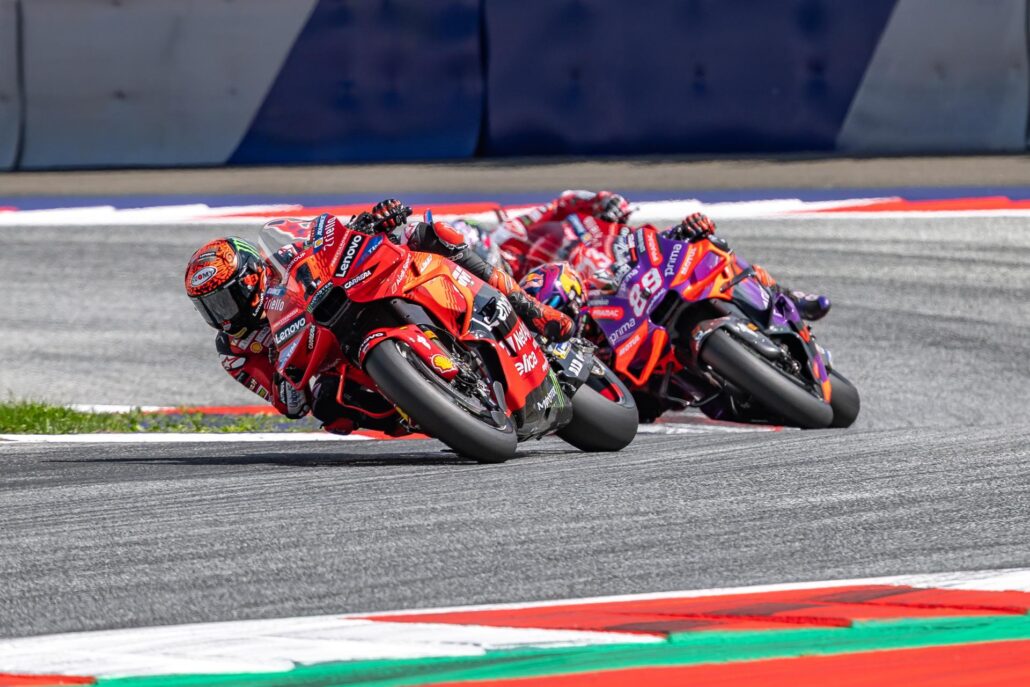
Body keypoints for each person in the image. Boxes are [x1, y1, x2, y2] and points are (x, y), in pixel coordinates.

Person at [184, 200, 574, 435]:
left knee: (433, 235)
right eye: (211, 308)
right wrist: (287, 377)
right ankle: (426, 412)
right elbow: (288, 404)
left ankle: (532, 310)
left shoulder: (281, 261)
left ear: (250, 277)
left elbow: (328, 240)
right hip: (333, 360)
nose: (224, 315)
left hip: (349, 296)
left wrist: (372, 221)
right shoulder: (234, 351)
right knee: (328, 407)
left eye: (226, 299)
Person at [495, 190, 830, 322]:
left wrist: (605, 202)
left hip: (633, 253)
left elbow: (567, 199)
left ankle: (782, 295)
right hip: (602, 306)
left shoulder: (523, 230)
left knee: (705, 240)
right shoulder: (513, 279)